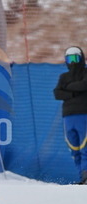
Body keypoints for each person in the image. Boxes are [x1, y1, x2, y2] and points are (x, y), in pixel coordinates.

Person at [53, 46, 87, 184]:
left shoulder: (85, 72)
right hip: (68, 116)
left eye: (75, 58)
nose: (72, 62)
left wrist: (67, 88)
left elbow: (84, 85)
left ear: (81, 58)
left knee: (85, 147)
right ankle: (82, 176)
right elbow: (57, 93)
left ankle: (86, 175)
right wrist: (73, 92)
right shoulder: (63, 77)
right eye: (69, 59)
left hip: (84, 114)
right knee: (74, 148)